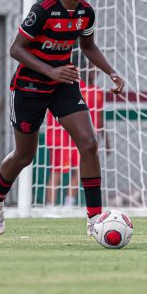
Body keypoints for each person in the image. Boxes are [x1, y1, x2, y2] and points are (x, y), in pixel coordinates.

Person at [0, 0, 125, 236]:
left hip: (63, 85)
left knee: (89, 143)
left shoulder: (86, 14)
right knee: (25, 156)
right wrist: (50, 70)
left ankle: (94, 219)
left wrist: (110, 71)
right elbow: (16, 49)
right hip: (29, 87)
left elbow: (88, 47)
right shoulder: (43, 11)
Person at [45, 61, 108, 206]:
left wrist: (106, 141)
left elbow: (99, 118)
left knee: (78, 169)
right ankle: (50, 206)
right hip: (61, 136)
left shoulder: (97, 92)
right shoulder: (69, 85)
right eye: (93, 68)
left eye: (97, 70)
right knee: (57, 170)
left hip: (82, 137)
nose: (95, 72)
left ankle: (69, 203)